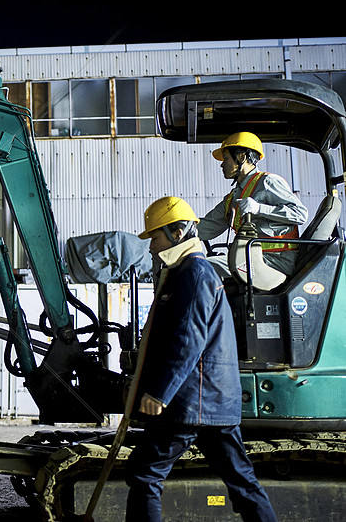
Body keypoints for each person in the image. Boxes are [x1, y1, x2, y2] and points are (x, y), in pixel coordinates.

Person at [125, 196, 277, 521]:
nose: (151, 245)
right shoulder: (186, 272)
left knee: (144, 473)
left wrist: (159, 393)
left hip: (192, 401)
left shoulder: (193, 273)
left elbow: (187, 341)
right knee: (242, 483)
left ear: (177, 233)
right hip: (211, 400)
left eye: (155, 236)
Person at [197, 131, 307, 279]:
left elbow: (300, 214)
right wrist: (177, 233)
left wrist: (259, 208)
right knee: (196, 265)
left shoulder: (268, 182)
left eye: (226, 158)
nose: (222, 164)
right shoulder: (234, 197)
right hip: (252, 257)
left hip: (276, 261)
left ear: (242, 157)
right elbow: (207, 227)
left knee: (203, 268)